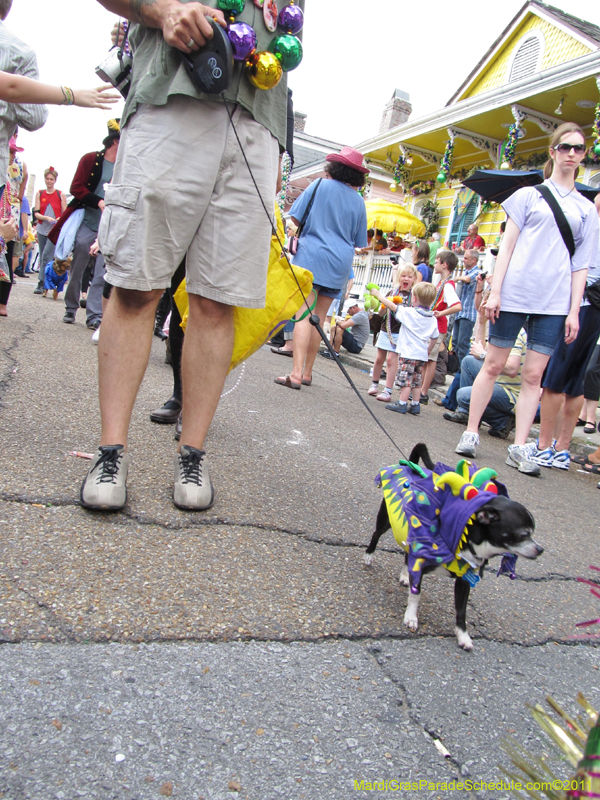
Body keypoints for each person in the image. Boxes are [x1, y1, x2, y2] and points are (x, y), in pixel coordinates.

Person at [80, 0, 304, 512]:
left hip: (258, 122)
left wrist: (276, 151)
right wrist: (160, 9)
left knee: (217, 300)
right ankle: (110, 452)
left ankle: (193, 453)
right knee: (136, 286)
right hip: (171, 99)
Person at [455, 122, 599, 475]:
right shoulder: (527, 196)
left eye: (578, 149)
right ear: (553, 151)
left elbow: (582, 264)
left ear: (583, 156)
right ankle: (471, 431)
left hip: (554, 301)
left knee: (535, 375)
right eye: (565, 147)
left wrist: (574, 311)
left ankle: (520, 446)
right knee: (493, 363)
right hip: (516, 293)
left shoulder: (586, 209)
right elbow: (507, 247)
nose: (571, 154)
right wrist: (496, 290)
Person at [275, 145, 367, 389]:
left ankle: (294, 374)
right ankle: (307, 372)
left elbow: (294, 219)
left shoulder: (318, 186)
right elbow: (359, 241)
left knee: (304, 314)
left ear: (334, 167)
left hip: (312, 256)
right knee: (320, 317)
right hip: (340, 263)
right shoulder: (359, 202)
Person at [531, 192, 600, 470]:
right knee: (575, 381)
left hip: (580, 301)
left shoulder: (589, 222)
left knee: (558, 377)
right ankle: (562, 448)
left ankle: (545, 445)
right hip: (594, 306)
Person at [49, 121, 120, 327]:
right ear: (116, 140)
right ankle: (70, 308)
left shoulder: (126, 166)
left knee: (101, 272)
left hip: (109, 228)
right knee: (78, 267)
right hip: (87, 222)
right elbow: (76, 187)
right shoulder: (91, 159)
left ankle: (94, 316)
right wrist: (97, 201)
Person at [369, 281, 438, 415]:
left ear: (415, 298)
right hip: (422, 354)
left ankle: (402, 402)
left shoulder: (410, 313)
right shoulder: (432, 318)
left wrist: (379, 296)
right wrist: (429, 349)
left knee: (406, 380)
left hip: (408, 353)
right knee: (417, 379)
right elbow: (434, 337)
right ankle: (415, 404)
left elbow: (393, 307)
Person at [443, 329, 527, 439]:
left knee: (463, 396)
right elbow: (476, 352)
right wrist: (482, 322)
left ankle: (502, 421)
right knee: (468, 362)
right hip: (497, 380)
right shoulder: (498, 328)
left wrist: (483, 354)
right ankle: (465, 413)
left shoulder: (515, 332)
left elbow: (512, 369)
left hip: (510, 392)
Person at [367, 264, 417, 402]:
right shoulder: (392, 292)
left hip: (400, 332)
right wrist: (383, 304)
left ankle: (388, 390)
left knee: (391, 360)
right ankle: (374, 383)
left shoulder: (413, 296)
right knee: (379, 358)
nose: (406, 279)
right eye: (403, 276)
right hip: (386, 329)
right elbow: (382, 312)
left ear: (414, 279)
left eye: (409, 276)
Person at [418, 250, 461, 404]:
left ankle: (423, 391)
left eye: (436, 262)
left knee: (430, 359)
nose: (434, 264)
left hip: (438, 325)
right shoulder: (443, 282)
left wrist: (440, 313)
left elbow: (457, 306)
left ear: (444, 264)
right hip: (435, 324)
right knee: (427, 358)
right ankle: (420, 389)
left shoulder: (448, 284)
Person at [32, 166, 66, 293]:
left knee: (47, 255)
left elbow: (65, 212)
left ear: (55, 180)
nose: (49, 181)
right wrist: (46, 217)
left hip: (53, 230)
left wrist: (58, 220)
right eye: (47, 179)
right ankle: (45, 281)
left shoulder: (60, 194)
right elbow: (36, 212)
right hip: (42, 227)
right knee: (42, 255)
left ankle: (42, 282)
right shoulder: (40, 193)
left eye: (51, 179)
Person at [452, 249, 480, 365]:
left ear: (474, 260)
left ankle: (463, 369)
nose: (463, 260)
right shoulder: (466, 273)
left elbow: (468, 280)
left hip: (468, 313)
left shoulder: (477, 272)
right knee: (455, 342)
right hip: (460, 312)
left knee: (463, 343)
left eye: (466, 258)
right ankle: (457, 367)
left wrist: (456, 279)